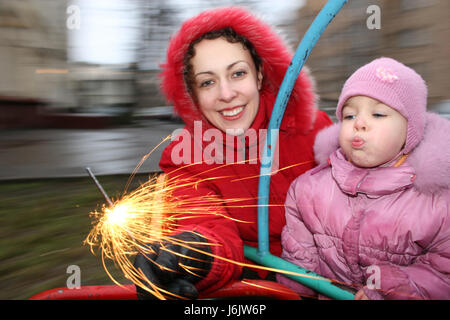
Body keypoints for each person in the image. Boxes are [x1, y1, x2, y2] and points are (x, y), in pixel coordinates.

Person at [133, 6, 332, 299]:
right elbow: (205, 224)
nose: (226, 94)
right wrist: (195, 254)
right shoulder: (186, 157)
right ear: (193, 94)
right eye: (207, 82)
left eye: (237, 73)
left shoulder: (313, 129)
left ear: (260, 75)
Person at [277, 57, 450, 300]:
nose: (359, 123)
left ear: (411, 130)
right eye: (349, 116)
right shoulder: (309, 189)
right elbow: (300, 260)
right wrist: (297, 289)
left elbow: (442, 274)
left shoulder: (436, 203)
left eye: (378, 114)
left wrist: (387, 288)